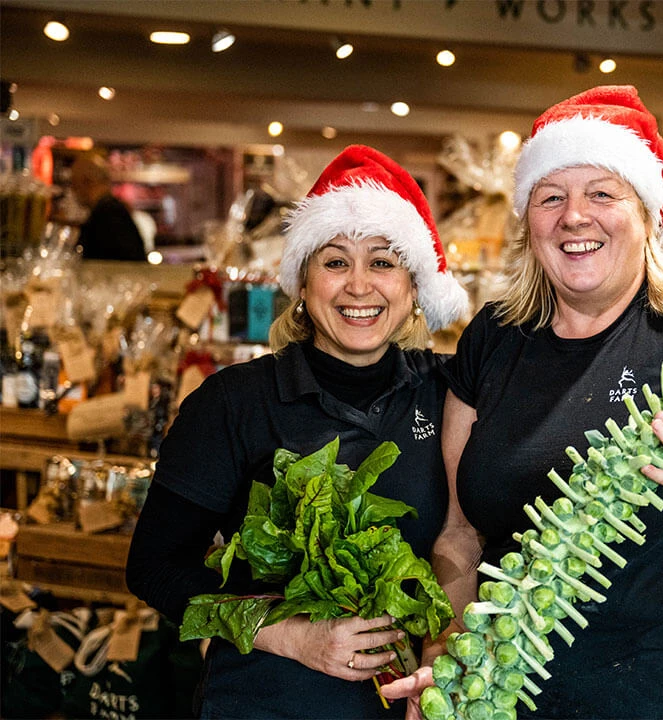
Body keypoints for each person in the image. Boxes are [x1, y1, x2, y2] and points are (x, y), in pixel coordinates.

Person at [383, 86, 663, 719]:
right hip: (511, 698)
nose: (574, 217)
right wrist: (445, 651)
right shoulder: (494, 337)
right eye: (552, 196)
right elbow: (459, 533)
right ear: (529, 220)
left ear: (646, 213)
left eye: (602, 193)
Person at [126, 145, 470, 719]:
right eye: (335, 262)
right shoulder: (234, 403)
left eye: (383, 262)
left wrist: (442, 662)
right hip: (264, 703)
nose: (359, 286)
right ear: (303, 286)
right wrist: (291, 634)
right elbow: (154, 569)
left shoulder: (448, 394)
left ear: (414, 288)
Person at [69, 153, 147, 261]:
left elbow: (125, 263)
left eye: (74, 183)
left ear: (87, 181)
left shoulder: (108, 213)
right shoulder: (110, 210)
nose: (73, 190)